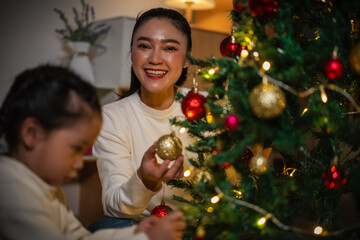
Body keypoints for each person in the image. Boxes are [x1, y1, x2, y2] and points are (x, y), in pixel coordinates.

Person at [0, 65, 186, 240]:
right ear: (31, 133)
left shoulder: (44, 185)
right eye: (75, 149)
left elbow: (81, 238)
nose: (79, 163)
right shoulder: (10, 187)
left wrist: (137, 233)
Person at [88, 7, 197, 231]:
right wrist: (145, 180)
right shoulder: (112, 117)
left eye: (169, 48)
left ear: (186, 59)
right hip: (140, 228)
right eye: (144, 46)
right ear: (132, 52)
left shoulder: (206, 110)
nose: (155, 58)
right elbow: (113, 205)